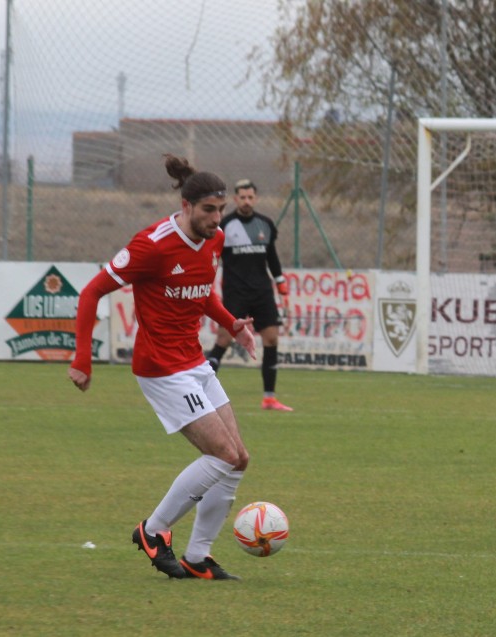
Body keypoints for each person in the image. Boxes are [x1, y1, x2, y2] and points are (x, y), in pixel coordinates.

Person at [69, 154, 256, 580]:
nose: (217, 218)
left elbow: (202, 291)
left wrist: (232, 325)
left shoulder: (215, 239)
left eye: (220, 210)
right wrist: (82, 358)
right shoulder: (151, 245)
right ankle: (153, 530)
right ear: (187, 207)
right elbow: (91, 293)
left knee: (239, 458)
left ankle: (198, 556)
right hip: (160, 368)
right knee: (223, 453)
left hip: (193, 360)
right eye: (209, 210)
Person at [204, 179, 293, 411]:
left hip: (262, 291)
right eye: (242, 197)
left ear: (255, 198)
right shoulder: (224, 225)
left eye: (250, 197)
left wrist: (281, 283)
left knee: (272, 338)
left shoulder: (265, 224)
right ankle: (199, 392)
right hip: (235, 292)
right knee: (223, 339)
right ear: (235, 199)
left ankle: (269, 398)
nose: (246, 201)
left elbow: (271, 257)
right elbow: (210, 257)